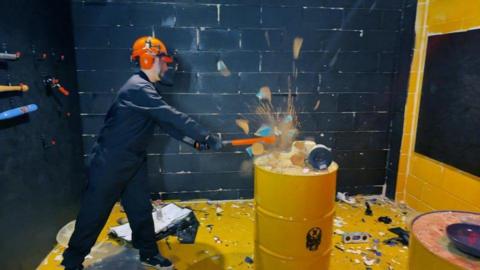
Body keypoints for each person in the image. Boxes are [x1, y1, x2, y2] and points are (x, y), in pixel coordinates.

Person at [61, 36, 222, 270]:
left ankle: (147, 253)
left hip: (133, 160)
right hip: (110, 162)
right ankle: (72, 262)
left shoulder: (147, 90)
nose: (167, 66)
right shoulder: (138, 88)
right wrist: (206, 135)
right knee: (94, 214)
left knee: (140, 210)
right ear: (148, 59)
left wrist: (196, 143)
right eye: (163, 61)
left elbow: (166, 125)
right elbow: (172, 116)